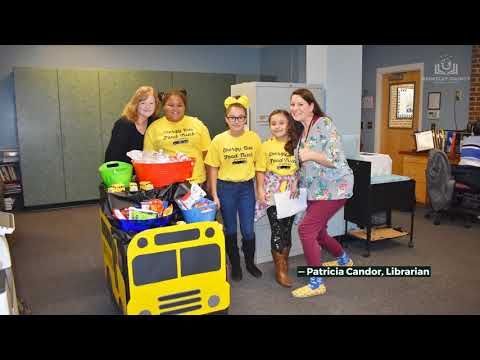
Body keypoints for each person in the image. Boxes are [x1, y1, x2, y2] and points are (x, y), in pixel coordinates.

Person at [289, 88, 354, 298]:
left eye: (300, 104)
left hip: (336, 187)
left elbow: (335, 159)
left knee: (306, 229)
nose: (295, 108)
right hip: (316, 190)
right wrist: (294, 180)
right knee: (318, 232)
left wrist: (312, 155)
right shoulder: (302, 130)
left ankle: (317, 283)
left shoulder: (324, 124)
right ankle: (344, 260)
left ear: (311, 106)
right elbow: (302, 163)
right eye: (292, 104)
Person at [205, 95, 262, 281]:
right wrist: (214, 194)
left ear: (246, 118)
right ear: (226, 119)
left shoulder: (254, 138)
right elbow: (212, 168)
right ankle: (235, 265)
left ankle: (250, 263)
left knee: (248, 229)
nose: (237, 121)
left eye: (240, 117)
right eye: (233, 117)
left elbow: (259, 165)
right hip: (225, 188)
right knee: (230, 229)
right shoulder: (218, 140)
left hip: (246, 188)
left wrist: (259, 189)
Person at [255, 109, 300, 287]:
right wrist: (259, 190)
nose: (277, 126)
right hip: (272, 191)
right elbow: (260, 170)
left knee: (287, 227)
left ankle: (284, 261)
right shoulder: (265, 146)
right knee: (277, 228)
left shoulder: (296, 144)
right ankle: (280, 269)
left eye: (281, 123)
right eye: (273, 123)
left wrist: (297, 180)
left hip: (291, 192)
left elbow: (301, 167)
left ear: (288, 124)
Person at [143, 89, 211, 185]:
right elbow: (148, 159)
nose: (175, 109)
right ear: (163, 107)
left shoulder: (198, 124)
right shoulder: (153, 128)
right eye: (170, 105)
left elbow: (208, 156)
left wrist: (210, 182)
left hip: (197, 183)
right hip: (166, 184)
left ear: (185, 107)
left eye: (179, 105)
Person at [105, 86, 160, 164]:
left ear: (156, 105)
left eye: (151, 103)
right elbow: (113, 156)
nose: (147, 106)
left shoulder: (155, 122)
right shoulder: (123, 124)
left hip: (146, 172)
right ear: (136, 104)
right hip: (124, 172)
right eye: (143, 103)